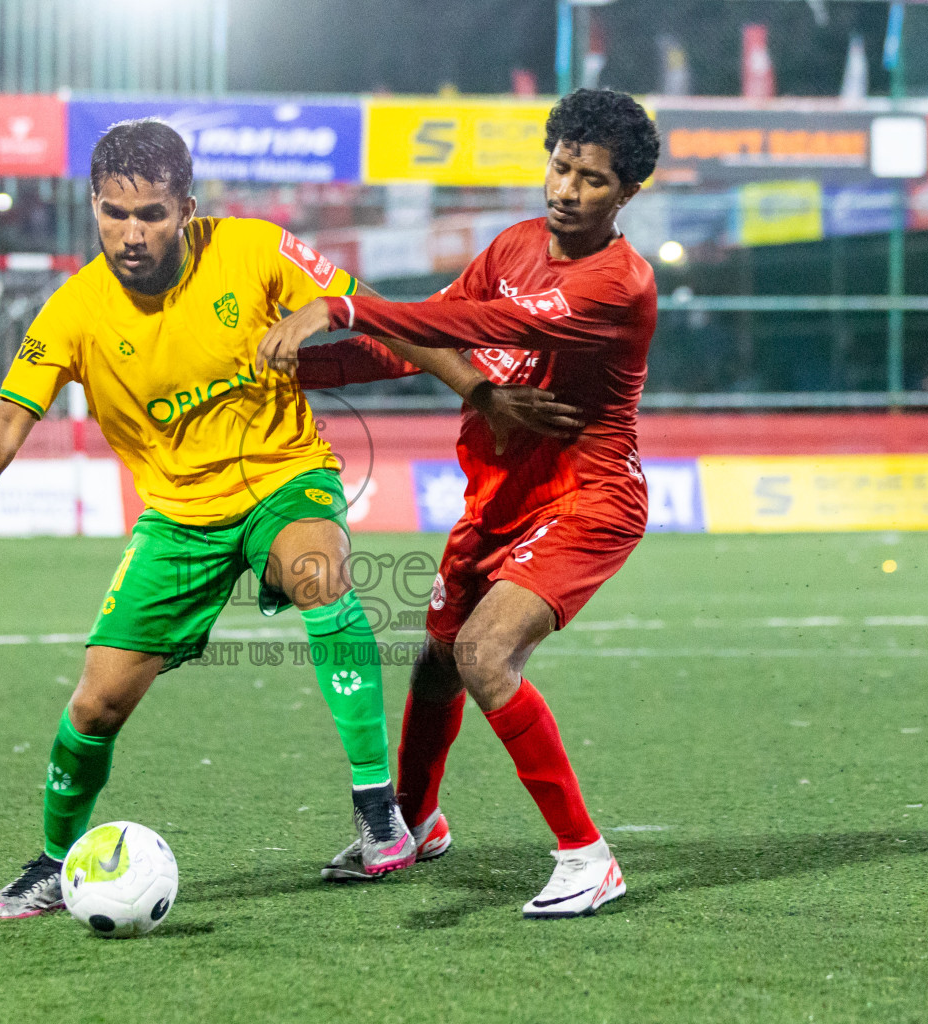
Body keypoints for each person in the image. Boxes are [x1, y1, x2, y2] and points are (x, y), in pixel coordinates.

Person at [0, 119, 564, 920]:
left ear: (186, 206)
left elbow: (378, 315)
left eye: (150, 213)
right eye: (114, 213)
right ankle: (54, 858)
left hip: (286, 478)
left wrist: (482, 394)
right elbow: (11, 416)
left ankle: (377, 810)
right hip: (181, 519)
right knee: (94, 706)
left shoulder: (255, 251)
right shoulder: (72, 313)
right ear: (93, 206)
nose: (131, 233)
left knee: (320, 574)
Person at [261, 89, 660, 919]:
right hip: (497, 497)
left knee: (482, 655)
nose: (567, 189)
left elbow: (471, 318)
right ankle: (413, 822)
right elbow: (427, 338)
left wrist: (339, 302)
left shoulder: (618, 286)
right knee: (437, 663)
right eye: (560, 166)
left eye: (592, 180)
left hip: (588, 498)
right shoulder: (513, 245)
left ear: (627, 194)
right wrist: (305, 370)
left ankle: (588, 857)